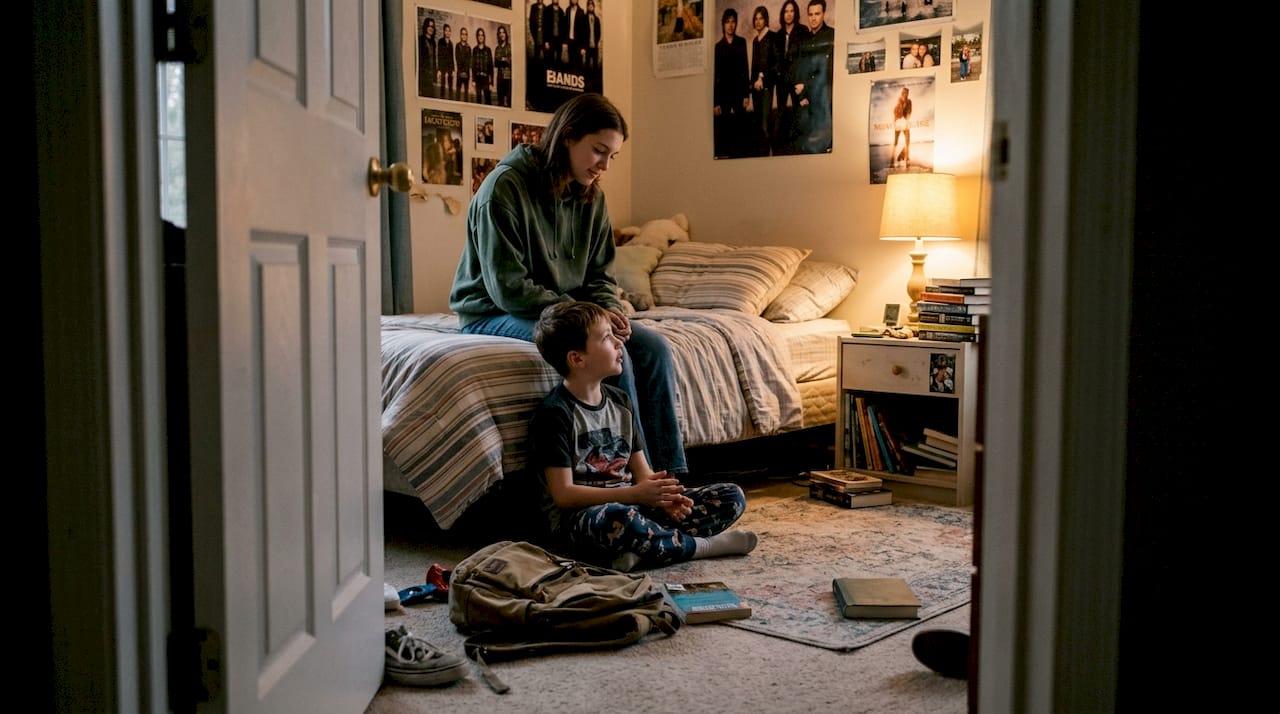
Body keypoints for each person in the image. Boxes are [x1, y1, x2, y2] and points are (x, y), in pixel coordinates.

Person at [449, 93, 689, 479]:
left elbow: (600, 276)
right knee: (608, 354)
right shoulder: (504, 188)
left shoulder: (592, 196)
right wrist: (589, 317)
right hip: (493, 311)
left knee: (654, 348)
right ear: (567, 137)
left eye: (612, 156)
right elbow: (509, 289)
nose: (604, 165)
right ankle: (631, 479)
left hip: (567, 311)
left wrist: (609, 310)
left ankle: (670, 478)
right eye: (598, 151)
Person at [527, 301, 759, 571]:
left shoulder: (620, 402)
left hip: (634, 506)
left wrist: (665, 498)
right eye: (606, 337)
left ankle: (642, 549)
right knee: (619, 518)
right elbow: (564, 495)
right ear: (577, 359)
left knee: (731, 496)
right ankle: (702, 546)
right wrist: (635, 495)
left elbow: (643, 473)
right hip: (586, 519)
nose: (618, 343)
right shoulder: (556, 413)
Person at [791, 0, 834, 153]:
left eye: (817, 14)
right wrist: (801, 94)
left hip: (824, 99)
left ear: (823, 14)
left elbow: (829, 72)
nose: (813, 18)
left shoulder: (832, 35)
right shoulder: (803, 40)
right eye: (810, 14)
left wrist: (807, 87)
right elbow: (798, 70)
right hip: (806, 102)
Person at [771, 0, 808, 155]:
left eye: (792, 11)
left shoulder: (802, 30)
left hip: (797, 78)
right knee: (780, 112)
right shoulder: (778, 34)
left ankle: (799, 145)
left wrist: (801, 79)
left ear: (796, 13)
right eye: (786, 11)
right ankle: (776, 148)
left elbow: (804, 57)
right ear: (783, 14)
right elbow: (776, 59)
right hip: (782, 80)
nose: (789, 14)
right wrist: (778, 73)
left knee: (799, 111)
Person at [712, 7, 749, 159]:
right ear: (723, 24)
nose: (730, 25)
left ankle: (741, 155)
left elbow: (745, 69)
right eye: (727, 22)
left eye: (733, 22)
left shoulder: (741, 42)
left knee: (741, 126)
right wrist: (715, 102)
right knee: (725, 127)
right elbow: (716, 76)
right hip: (724, 95)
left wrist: (746, 94)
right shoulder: (718, 47)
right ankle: (727, 157)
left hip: (739, 93)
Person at [747, 5, 778, 157]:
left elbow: (776, 64)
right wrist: (753, 83)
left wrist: (762, 77)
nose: (758, 22)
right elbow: (754, 66)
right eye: (756, 19)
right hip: (755, 88)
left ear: (766, 20)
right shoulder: (755, 41)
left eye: (761, 18)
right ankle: (762, 157)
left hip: (766, 87)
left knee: (766, 125)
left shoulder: (772, 37)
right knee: (758, 124)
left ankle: (770, 154)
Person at [471, 27, 494, 106]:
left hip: (486, 79)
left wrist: (491, 83)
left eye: (482, 35)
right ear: (477, 37)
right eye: (479, 35)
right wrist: (473, 80)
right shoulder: (474, 50)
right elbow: (473, 66)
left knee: (488, 101)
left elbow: (491, 68)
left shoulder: (488, 50)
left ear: (484, 37)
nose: (480, 37)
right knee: (478, 101)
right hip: (478, 79)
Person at [417, 16, 438, 99]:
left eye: (432, 26)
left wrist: (435, 76)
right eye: (429, 26)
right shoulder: (420, 40)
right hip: (423, 76)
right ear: (426, 27)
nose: (431, 28)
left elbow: (434, 59)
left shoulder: (433, 42)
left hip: (431, 75)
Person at [891, 86, 912, 168]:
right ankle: (892, 158)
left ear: (907, 94)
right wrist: (895, 122)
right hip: (898, 122)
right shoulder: (899, 101)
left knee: (907, 141)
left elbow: (909, 111)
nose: (904, 94)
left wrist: (907, 121)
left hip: (904, 122)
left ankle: (906, 158)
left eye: (906, 93)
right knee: (896, 141)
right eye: (903, 93)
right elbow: (896, 112)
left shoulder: (909, 101)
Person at [494, 25, 513, 107]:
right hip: (500, 78)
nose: (502, 34)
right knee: (500, 101)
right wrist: (505, 59)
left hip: (508, 77)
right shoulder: (497, 48)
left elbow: (510, 61)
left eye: (503, 32)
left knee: (509, 101)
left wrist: (502, 59)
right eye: (500, 33)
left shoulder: (510, 47)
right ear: (498, 35)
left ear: (506, 34)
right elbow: (496, 63)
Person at [454, 27, 472, 103]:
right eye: (462, 34)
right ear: (460, 35)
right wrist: (461, 72)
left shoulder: (469, 47)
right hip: (459, 72)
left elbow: (469, 61)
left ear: (467, 36)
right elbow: (458, 59)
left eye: (465, 34)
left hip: (466, 73)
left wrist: (465, 72)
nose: (464, 36)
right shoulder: (457, 46)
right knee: (458, 92)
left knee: (466, 93)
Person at [436, 23, 454, 99]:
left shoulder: (451, 43)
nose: (448, 32)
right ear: (444, 32)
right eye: (446, 30)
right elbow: (439, 55)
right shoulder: (440, 41)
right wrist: (439, 69)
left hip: (449, 67)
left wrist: (453, 70)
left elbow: (452, 57)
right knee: (442, 85)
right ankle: (442, 97)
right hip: (443, 66)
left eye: (449, 31)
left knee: (450, 85)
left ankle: (450, 99)